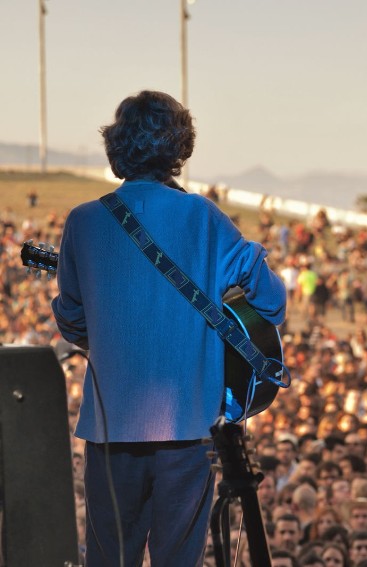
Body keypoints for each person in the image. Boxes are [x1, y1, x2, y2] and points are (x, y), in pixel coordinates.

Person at [51, 90, 286, 566]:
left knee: (108, 557)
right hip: (188, 426)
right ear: (179, 148)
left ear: (116, 147)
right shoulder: (201, 216)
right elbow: (272, 301)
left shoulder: (83, 221)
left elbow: (74, 321)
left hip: (110, 426)